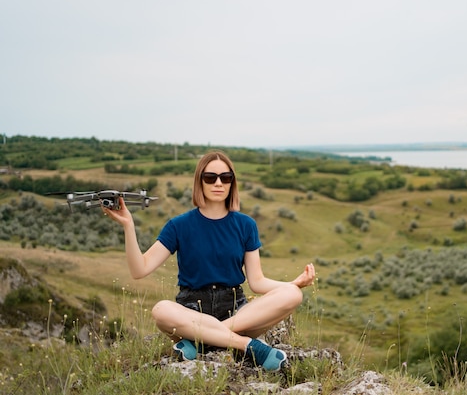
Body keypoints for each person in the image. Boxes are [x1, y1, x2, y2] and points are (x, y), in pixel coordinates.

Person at [103, 150, 316, 371]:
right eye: (210, 177)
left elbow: (257, 282)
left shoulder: (246, 225)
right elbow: (140, 269)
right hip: (192, 310)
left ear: (232, 183)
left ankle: (201, 341)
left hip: (236, 312)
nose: (218, 183)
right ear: (200, 181)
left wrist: (294, 284)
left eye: (225, 178)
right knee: (161, 310)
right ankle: (246, 345)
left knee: (293, 295)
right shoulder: (179, 225)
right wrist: (128, 226)